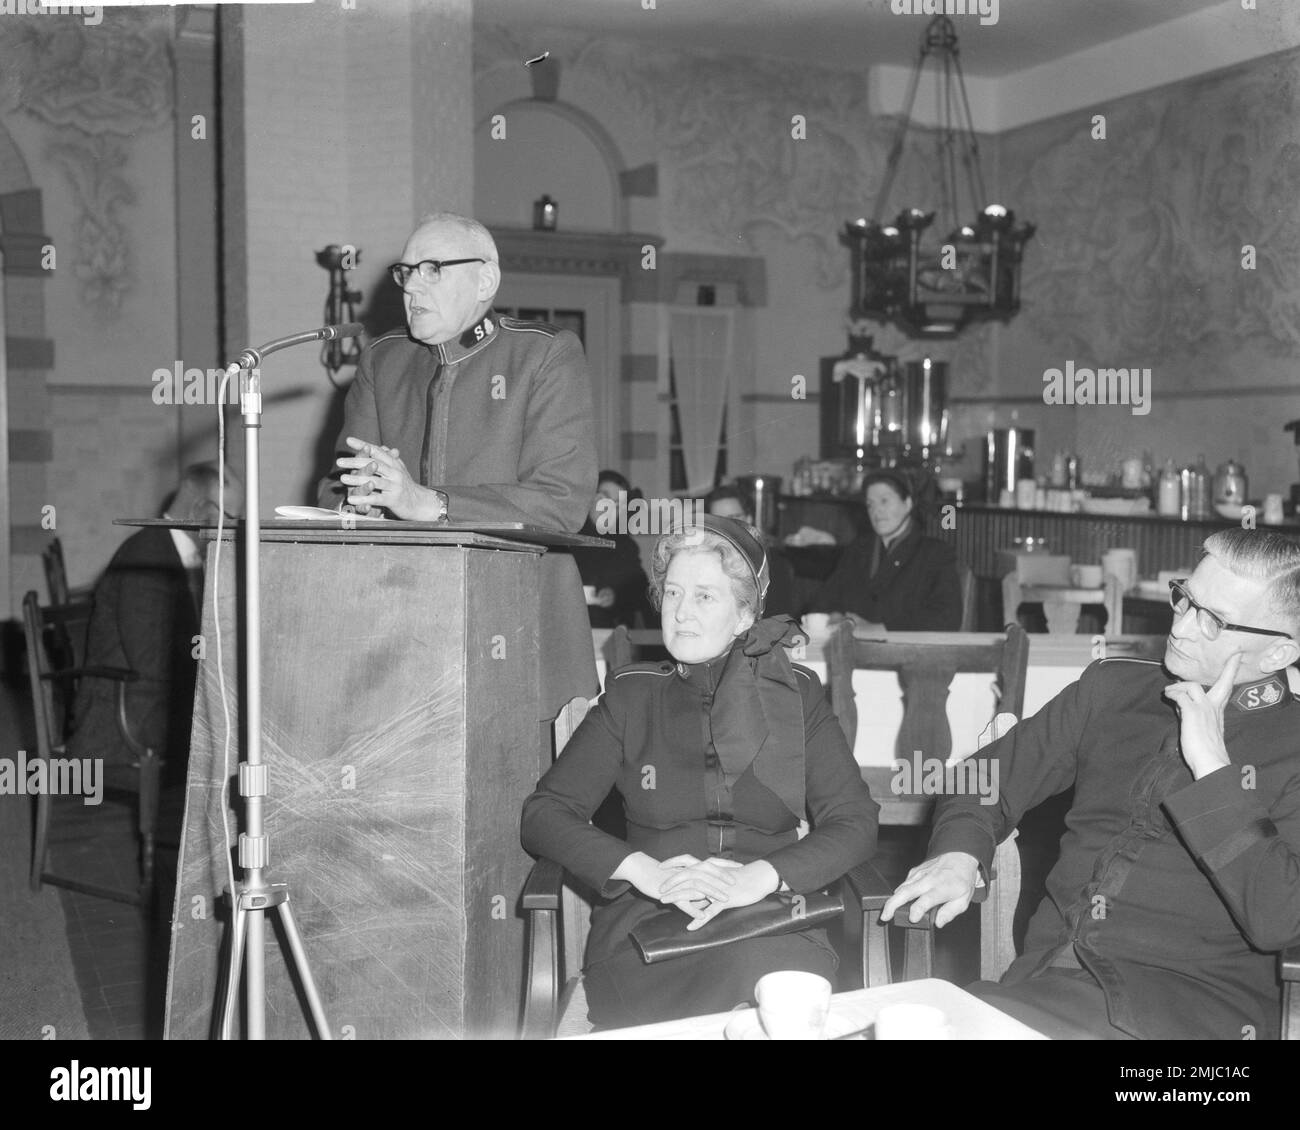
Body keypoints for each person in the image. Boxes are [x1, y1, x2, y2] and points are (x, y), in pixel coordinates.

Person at [882, 529, 1300, 1040]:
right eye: (1186, 597)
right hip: (1039, 995)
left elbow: (1280, 918)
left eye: (1212, 620)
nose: (1182, 626)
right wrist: (959, 853)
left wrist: (1213, 769)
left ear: (1279, 655)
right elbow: (980, 777)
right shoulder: (1111, 690)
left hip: (1186, 1020)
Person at [521, 515, 878, 1029]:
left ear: (743, 615)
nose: (681, 613)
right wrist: (648, 873)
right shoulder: (631, 697)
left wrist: (758, 879)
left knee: (765, 983)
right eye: (672, 594)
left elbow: (856, 822)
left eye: (704, 597)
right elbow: (545, 814)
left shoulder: (796, 695)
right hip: (647, 928)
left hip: (774, 917)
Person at [316, 212, 599, 717]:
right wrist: (363, 500)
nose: (412, 288)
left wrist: (432, 504)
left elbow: (561, 503)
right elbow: (336, 486)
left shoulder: (542, 355)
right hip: (401, 632)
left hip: (518, 628)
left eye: (433, 269)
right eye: (406, 273)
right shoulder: (384, 360)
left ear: (486, 279)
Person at [67, 463, 243, 771]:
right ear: (201, 507)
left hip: (157, 705)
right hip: (128, 724)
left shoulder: (180, 553)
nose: (231, 530)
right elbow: (153, 664)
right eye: (230, 519)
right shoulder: (146, 558)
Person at [804, 468, 961, 631]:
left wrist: (881, 628)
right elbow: (825, 601)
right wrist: (833, 615)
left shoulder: (935, 554)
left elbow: (947, 618)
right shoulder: (858, 550)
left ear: (908, 504)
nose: (876, 511)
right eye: (870, 504)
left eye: (884, 501)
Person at [570, 470, 651, 629]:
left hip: (607, 629)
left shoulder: (624, 545)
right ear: (590, 497)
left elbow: (640, 589)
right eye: (603, 497)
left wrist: (615, 595)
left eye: (616, 503)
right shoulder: (567, 533)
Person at [703, 483, 798, 618]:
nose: (726, 526)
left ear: (748, 519)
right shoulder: (700, 563)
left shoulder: (772, 564)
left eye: (733, 518)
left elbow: (778, 622)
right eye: (718, 520)